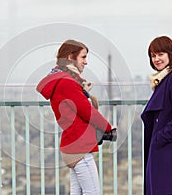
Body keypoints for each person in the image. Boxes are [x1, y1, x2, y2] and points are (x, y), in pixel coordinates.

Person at [36, 39, 115, 194]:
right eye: (83, 57)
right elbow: (86, 110)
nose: (86, 62)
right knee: (93, 192)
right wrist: (108, 127)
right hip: (79, 146)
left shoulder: (62, 79)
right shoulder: (67, 82)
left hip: (73, 145)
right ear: (71, 57)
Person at [141, 36, 172, 195]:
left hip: (169, 147)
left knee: (165, 189)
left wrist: (161, 137)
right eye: (153, 55)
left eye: (160, 54)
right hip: (164, 147)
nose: (156, 59)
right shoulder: (164, 78)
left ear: (170, 53)